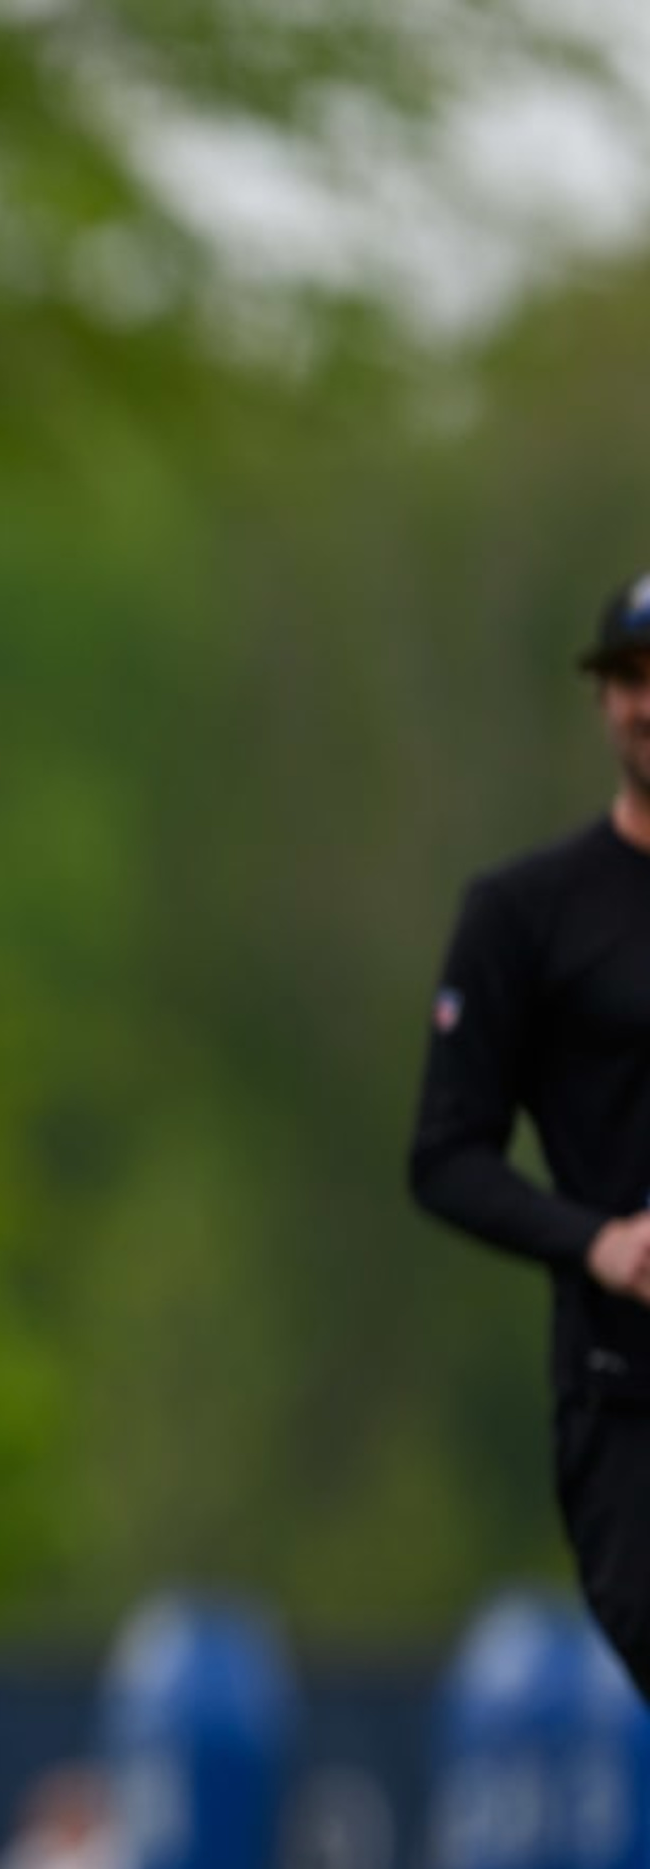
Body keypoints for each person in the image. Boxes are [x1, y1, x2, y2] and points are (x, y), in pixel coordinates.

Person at [408, 567, 650, 1703]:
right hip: (625, 1396)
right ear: (602, 702)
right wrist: (595, 1240)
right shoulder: (525, 911)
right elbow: (445, 1154)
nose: (648, 702)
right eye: (629, 680)